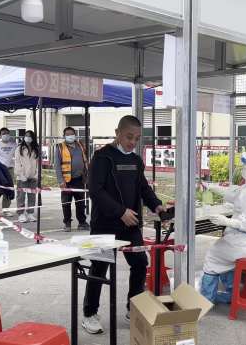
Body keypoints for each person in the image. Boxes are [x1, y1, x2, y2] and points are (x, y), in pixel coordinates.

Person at [82, 115, 164, 334]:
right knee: (99, 268)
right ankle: (89, 314)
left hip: (130, 225)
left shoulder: (136, 161)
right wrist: (120, 212)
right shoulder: (102, 158)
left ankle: (133, 308)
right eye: (129, 137)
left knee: (139, 264)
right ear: (117, 132)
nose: (132, 142)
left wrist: (156, 205)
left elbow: (143, 188)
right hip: (103, 224)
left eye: (137, 138)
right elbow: (95, 191)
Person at [199, 149, 246, 304]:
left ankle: (207, 299)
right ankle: (233, 292)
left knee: (213, 255)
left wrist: (228, 222)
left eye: (245, 165)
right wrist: (211, 186)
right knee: (224, 253)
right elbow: (235, 194)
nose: (242, 168)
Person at [54, 126, 89, 231]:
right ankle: (67, 223)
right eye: (67, 134)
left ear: (75, 135)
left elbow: (86, 160)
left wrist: (87, 176)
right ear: (64, 136)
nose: (70, 136)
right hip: (66, 180)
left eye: (71, 134)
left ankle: (82, 223)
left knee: (81, 202)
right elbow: (57, 165)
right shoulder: (60, 147)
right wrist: (61, 181)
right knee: (66, 203)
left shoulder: (80, 145)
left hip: (79, 179)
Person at [14, 130, 39, 223]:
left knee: (32, 196)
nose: (28, 137)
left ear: (33, 138)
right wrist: (21, 175)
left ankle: (30, 213)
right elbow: (17, 163)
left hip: (33, 177)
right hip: (22, 177)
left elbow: (38, 164)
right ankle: (21, 214)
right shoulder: (19, 148)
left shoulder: (36, 149)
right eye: (26, 136)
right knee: (21, 196)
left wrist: (37, 175)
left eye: (30, 136)